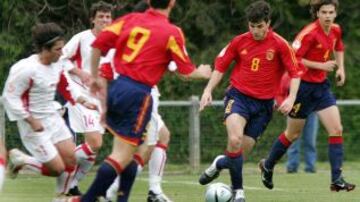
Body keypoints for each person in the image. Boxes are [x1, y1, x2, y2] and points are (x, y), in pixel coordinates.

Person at [70, 0, 211, 201]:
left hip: (117, 88)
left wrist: (93, 78)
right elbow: (186, 72)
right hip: (138, 95)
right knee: (124, 154)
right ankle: (87, 198)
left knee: (133, 150)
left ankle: (120, 197)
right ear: (172, 3)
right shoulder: (172, 32)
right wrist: (203, 73)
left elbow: (97, 45)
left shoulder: (130, 19)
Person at [197, 1, 304, 202]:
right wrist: (208, 90)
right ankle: (238, 191)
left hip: (263, 106)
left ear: (268, 23)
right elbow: (220, 67)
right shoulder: (238, 41)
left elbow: (295, 72)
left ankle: (219, 163)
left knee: (238, 154)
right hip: (238, 97)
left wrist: (291, 98)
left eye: (260, 26)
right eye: (252, 26)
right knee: (235, 140)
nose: (255, 31)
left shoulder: (280, 44)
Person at [259, 0, 356, 192]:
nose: (328, 16)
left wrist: (341, 69)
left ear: (335, 14)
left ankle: (336, 179)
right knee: (293, 134)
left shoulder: (335, 29)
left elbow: (339, 48)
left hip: (321, 88)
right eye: (324, 12)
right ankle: (268, 165)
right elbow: (293, 59)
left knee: (336, 129)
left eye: (331, 12)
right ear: (317, 14)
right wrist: (322, 66)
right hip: (302, 87)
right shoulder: (309, 34)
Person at [2, 22, 78, 197]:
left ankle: (61, 199)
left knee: (71, 159)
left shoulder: (57, 63)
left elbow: (65, 83)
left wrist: (81, 99)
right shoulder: (25, 69)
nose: (62, 52)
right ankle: (23, 161)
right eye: (58, 49)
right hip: (33, 124)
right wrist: (30, 119)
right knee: (57, 169)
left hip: (52, 117)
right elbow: (9, 97)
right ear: (45, 49)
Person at [100, 51, 175, 202]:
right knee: (142, 151)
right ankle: (110, 190)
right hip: (142, 98)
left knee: (162, 136)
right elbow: (176, 68)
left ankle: (154, 190)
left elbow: (104, 71)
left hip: (135, 96)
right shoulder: (150, 41)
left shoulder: (124, 43)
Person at [61, 1, 113, 195]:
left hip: (99, 99)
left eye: (108, 17)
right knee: (95, 142)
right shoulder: (82, 38)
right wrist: (79, 72)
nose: (105, 20)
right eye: (101, 16)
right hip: (78, 93)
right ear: (92, 19)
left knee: (94, 148)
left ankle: (71, 185)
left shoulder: (115, 43)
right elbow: (60, 58)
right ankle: (57, 167)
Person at [276, 73, 319, 173]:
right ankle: (292, 166)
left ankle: (310, 167)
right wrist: (282, 104)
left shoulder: (313, 75)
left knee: (310, 141)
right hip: (294, 112)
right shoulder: (287, 76)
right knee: (292, 140)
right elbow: (280, 93)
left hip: (311, 112)